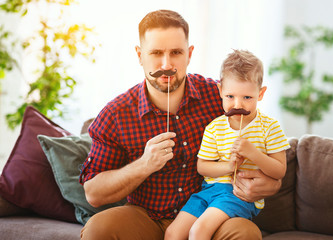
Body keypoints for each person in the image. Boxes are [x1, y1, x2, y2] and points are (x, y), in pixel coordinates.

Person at [79, 9, 282, 240]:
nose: (166, 64)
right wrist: (144, 164)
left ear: (189, 54)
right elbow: (93, 193)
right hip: (145, 216)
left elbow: (262, 140)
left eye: (176, 52)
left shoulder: (222, 97)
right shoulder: (116, 114)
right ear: (139, 55)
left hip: (209, 213)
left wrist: (269, 185)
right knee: (98, 229)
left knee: (244, 233)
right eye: (156, 52)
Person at [164, 50, 290, 240]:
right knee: (173, 233)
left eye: (247, 98)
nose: (237, 104)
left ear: (261, 93)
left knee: (198, 231)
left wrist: (253, 153)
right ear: (220, 90)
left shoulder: (270, 127)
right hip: (208, 191)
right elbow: (202, 166)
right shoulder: (215, 128)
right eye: (230, 96)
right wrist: (229, 166)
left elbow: (279, 171)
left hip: (237, 194)